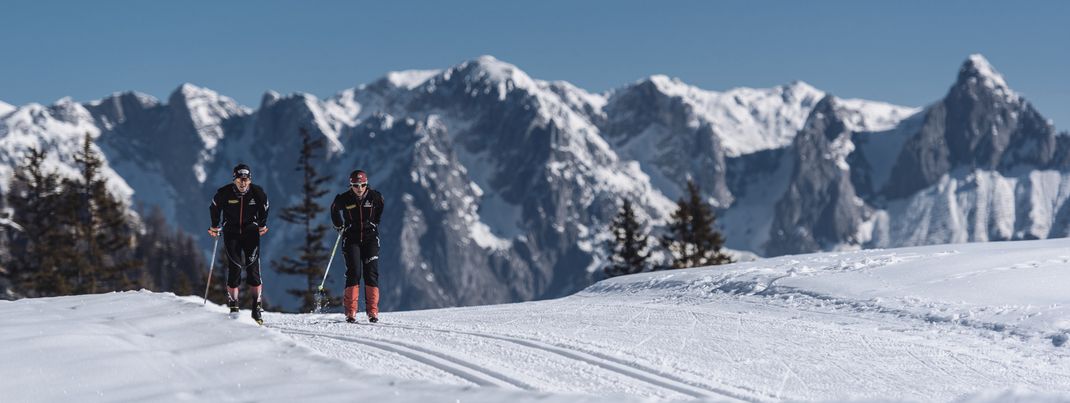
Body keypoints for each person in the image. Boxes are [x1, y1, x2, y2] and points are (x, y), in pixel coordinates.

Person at [209, 163, 270, 324]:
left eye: (246, 179)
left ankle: (256, 307)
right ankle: (234, 306)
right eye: (239, 179)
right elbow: (214, 207)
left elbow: (265, 207)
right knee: (234, 267)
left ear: (249, 180)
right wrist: (215, 225)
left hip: (251, 232)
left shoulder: (257, 192)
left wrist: (262, 224)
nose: (243, 183)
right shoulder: (224, 192)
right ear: (234, 179)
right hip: (231, 233)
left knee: (252, 268)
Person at [330, 169, 385, 323]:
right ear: (350, 185)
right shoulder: (344, 198)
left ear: (367, 184)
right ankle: (351, 312)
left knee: (371, 273)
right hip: (351, 239)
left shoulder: (375, 196)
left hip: (370, 239)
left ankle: (372, 312)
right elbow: (334, 209)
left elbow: (380, 205)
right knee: (354, 272)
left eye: (362, 185)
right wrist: (339, 224)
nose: (359, 188)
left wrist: (375, 222)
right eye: (355, 185)